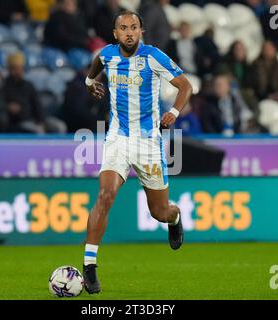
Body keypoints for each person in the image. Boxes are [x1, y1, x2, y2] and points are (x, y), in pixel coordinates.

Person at [83, 11, 192, 293]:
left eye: (134, 27)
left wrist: (174, 111)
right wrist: (89, 82)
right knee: (105, 196)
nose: (129, 32)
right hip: (117, 139)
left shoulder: (153, 56)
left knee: (159, 212)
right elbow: (96, 64)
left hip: (148, 144)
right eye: (123, 28)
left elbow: (185, 85)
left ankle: (175, 217)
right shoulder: (107, 54)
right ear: (115, 32)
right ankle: (90, 265)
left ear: (141, 31)